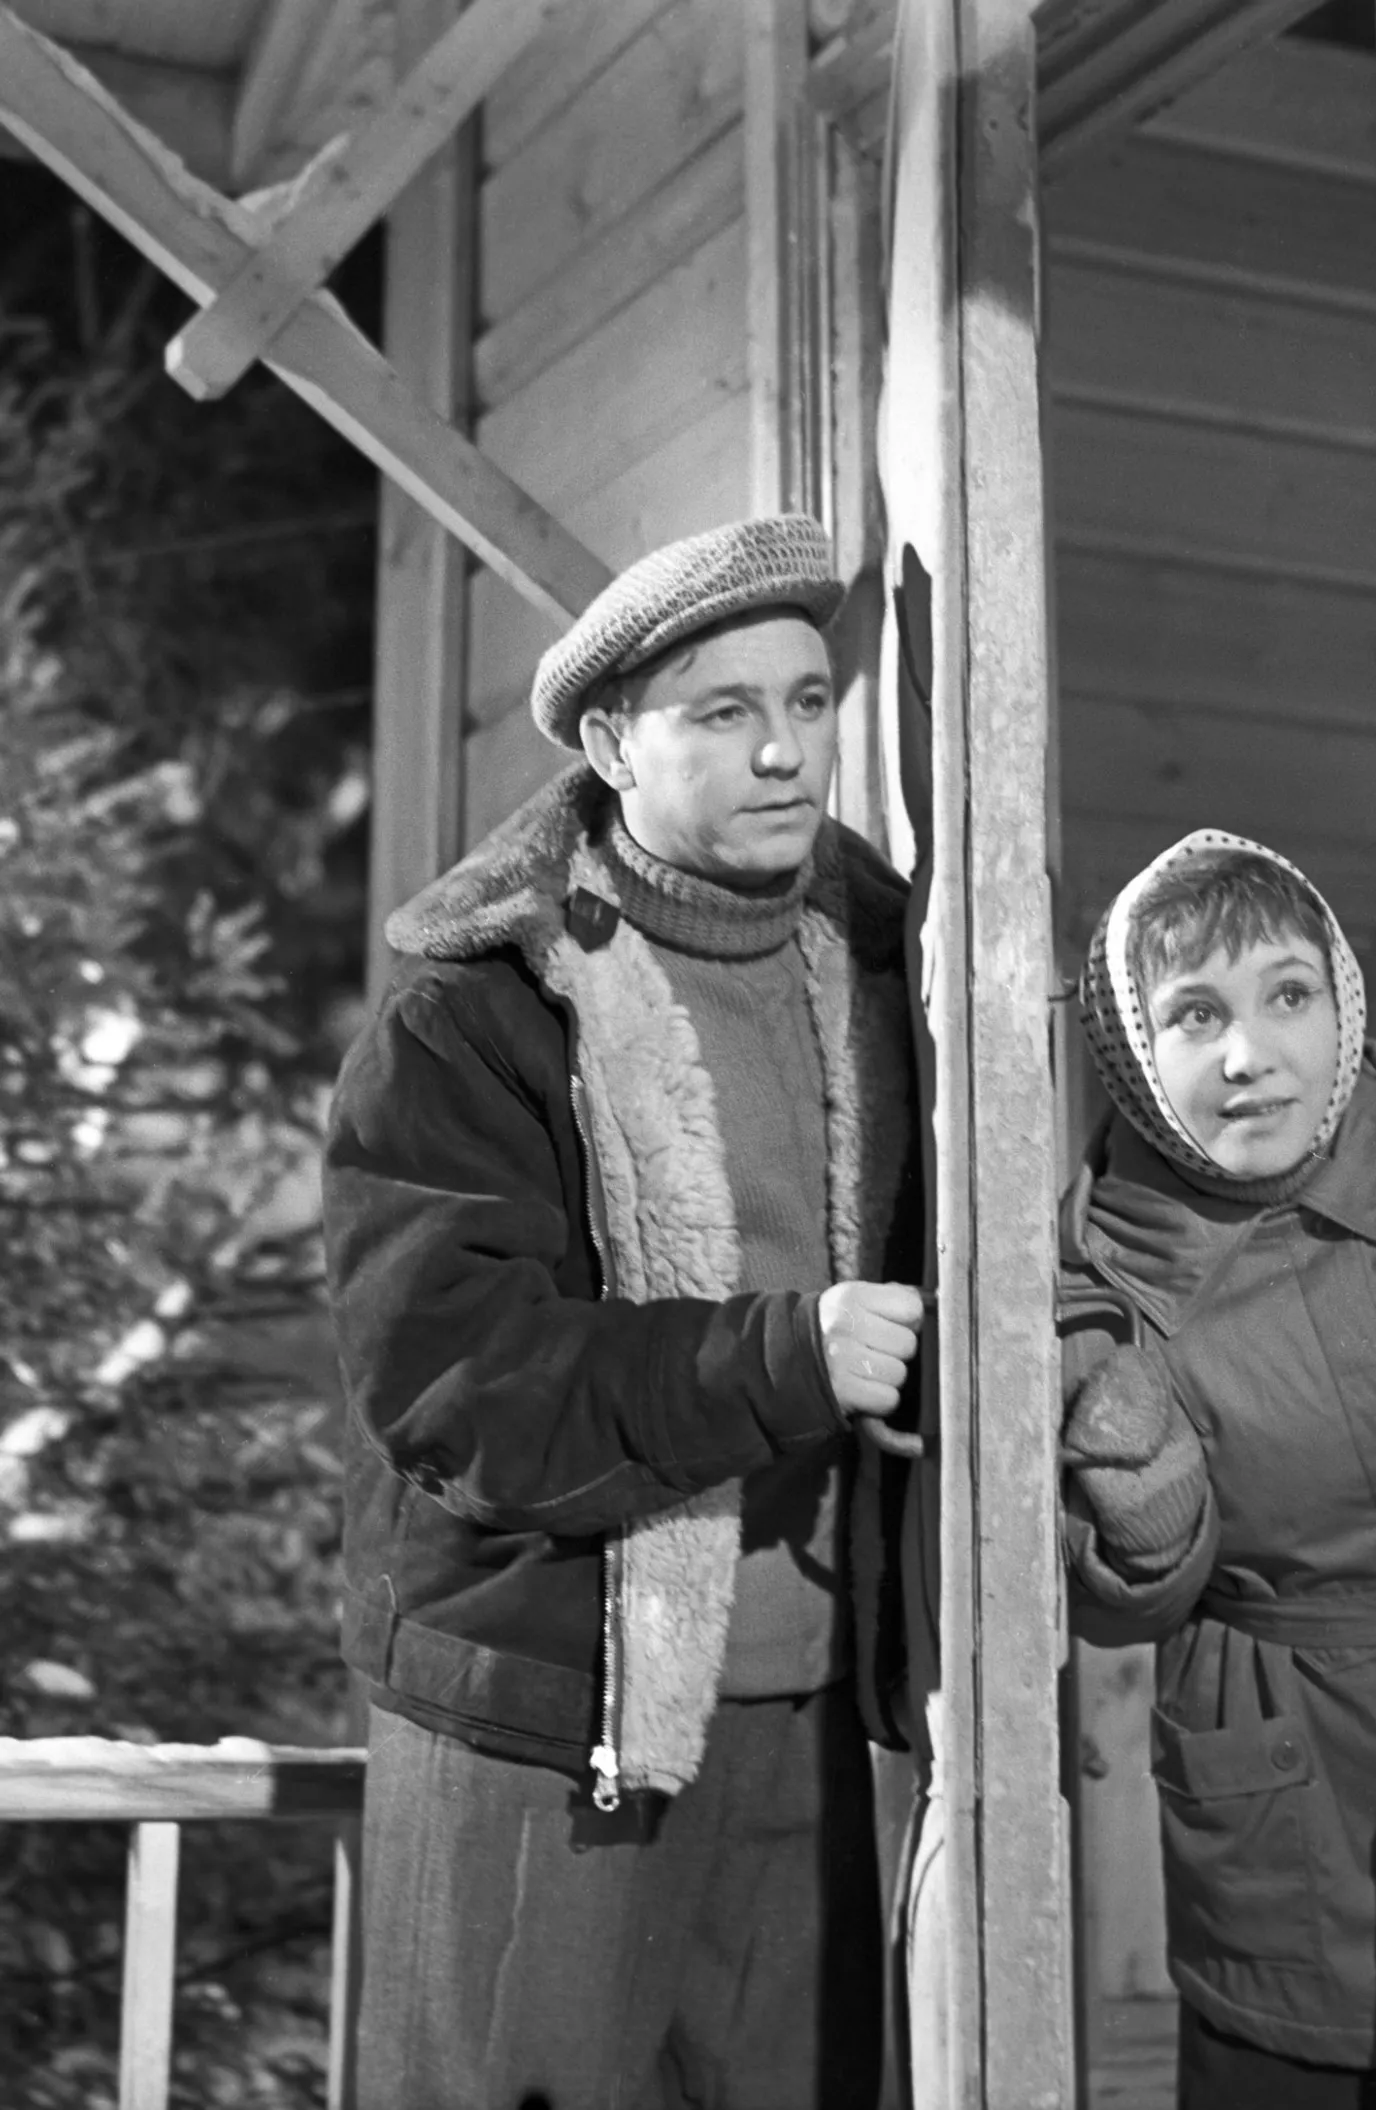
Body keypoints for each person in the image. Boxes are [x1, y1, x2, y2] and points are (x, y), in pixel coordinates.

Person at [323, 515, 923, 2109]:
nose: (785, 750)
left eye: (807, 701)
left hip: (806, 1714)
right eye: (723, 713)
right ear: (609, 744)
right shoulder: (474, 1011)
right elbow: (458, 1381)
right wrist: (781, 1356)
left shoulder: (894, 977)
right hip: (543, 1715)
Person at [1059, 830, 1376, 2109]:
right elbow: (1114, 1606)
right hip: (1290, 1795)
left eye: (1288, 993)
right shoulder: (1103, 1279)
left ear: (1343, 1004)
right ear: (1134, 1046)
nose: (1249, 1053)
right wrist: (1145, 1528)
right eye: (1195, 1014)